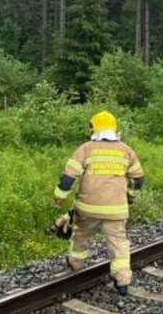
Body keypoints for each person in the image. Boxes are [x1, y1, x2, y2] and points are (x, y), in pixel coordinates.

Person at [51, 110, 145, 295]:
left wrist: (59, 198)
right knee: (119, 243)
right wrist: (130, 197)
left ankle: (76, 264)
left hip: (88, 209)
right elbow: (138, 179)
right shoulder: (126, 150)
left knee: (80, 236)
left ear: (94, 129)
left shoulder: (85, 149)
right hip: (116, 209)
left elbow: (68, 178)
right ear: (113, 129)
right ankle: (123, 280)